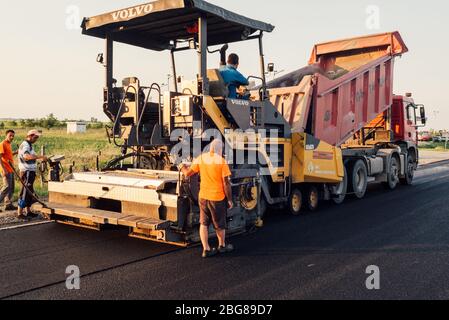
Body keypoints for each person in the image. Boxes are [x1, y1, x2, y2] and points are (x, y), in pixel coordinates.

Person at [182, 139, 235, 258]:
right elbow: (226, 183)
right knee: (219, 224)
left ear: (210, 148)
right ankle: (222, 246)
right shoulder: (221, 161)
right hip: (217, 198)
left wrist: (181, 166)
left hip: (203, 197)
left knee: (204, 223)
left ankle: (206, 249)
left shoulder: (201, 158)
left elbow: (188, 173)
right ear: (220, 149)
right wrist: (230, 200)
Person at [17, 130, 47, 219]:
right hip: (27, 171)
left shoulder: (29, 145)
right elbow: (26, 156)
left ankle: (28, 211)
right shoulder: (26, 145)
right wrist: (40, 157)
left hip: (29, 171)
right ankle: (20, 213)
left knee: (29, 192)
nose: (36, 139)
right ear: (30, 136)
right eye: (35, 137)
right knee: (25, 192)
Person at [0, 130, 18, 212]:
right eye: (10, 135)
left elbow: (8, 155)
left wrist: (16, 152)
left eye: (13, 136)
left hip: (10, 169)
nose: (12, 137)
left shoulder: (8, 144)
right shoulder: (2, 144)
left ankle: (8, 204)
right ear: (6, 135)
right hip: (6, 169)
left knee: (11, 188)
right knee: (6, 187)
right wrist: (3, 169)